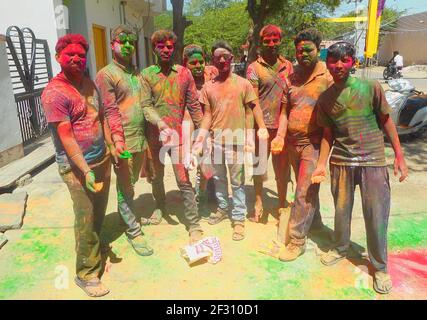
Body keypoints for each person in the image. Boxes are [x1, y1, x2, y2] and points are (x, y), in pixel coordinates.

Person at [312, 42, 408, 294]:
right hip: (341, 163)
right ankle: (340, 247)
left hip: (373, 162)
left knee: (376, 215)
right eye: (333, 61)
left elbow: (386, 121)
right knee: (341, 211)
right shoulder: (325, 98)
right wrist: (321, 164)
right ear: (327, 64)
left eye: (344, 60)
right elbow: (327, 134)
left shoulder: (371, 87)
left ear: (352, 62)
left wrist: (399, 155)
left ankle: (380, 266)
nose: (338, 66)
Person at [41, 34, 125, 297]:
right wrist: (86, 171)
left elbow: (101, 118)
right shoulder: (54, 93)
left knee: (98, 212)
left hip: (101, 160)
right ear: (58, 58)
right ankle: (86, 274)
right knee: (86, 217)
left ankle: (94, 248)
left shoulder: (89, 83)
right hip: (76, 167)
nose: (76, 59)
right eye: (70, 55)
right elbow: (66, 137)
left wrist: (112, 147)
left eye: (81, 55)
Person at [140, 30, 211, 244]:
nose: (165, 50)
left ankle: (193, 224)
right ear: (154, 48)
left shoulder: (184, 74)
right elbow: (146, 106)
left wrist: (202, 134)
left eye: (169, 47)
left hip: (178, 138)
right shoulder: (147, 75)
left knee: (183, 179)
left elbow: (194, 106)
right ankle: (160, 207)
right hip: (154, 138)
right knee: (156, 176)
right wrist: (160, 123)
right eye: (161, 46)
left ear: (174, 49)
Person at [199, 40, 269, 241]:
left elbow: (253, 107)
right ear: (213, 60)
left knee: (237, 182)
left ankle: (238, 218)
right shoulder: (208, 87)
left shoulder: (243, 84)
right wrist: (201, 137)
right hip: (216, 142)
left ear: (232, 58)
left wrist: (261, 128)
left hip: (236, 141)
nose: (222, 60)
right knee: (219, 178)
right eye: (217, 57)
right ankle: (223, 208)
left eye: (225, 56)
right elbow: (207, 115)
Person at [274, 28, 333, 262]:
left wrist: (324, 158)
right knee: (306, 190)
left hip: (313, 143)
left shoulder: (327, 77)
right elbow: (285, 111)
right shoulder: (291, 77)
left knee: (303, 192)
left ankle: (297, 240)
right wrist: (279, 135)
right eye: (299, 51)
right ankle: (315, 224)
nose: (303, 54)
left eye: (308, 50)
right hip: (291, 143)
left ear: (318, 50)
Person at [95, 25, 153, 256]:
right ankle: (133, 231)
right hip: (123, 142)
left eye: (132, 41)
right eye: (123, 41)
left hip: (140, 139)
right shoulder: (106, 74)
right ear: (112, 45)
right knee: (126, 187)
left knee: (130, 185)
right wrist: (116, 142)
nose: (128, 45)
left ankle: (124, 218)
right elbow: (109, 111)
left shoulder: (136, 73)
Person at [246, 24, 292, 222]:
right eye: (267, 41)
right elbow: (253, 101)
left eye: (275, 40)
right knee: (260, 168)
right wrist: (261, 127)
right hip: (260, 128)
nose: (272, 44)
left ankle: (282, 203)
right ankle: (258, 201)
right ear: (260, 43)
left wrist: (283, 129)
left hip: (282, 127)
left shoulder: (288, 66)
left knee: (282, 169)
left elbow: (289, 98)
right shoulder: (253, 68)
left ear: (280, 41)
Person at [182, 44, 218, 218]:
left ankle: (201, 198)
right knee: (186, 164)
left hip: (206, 129)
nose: (197, 66)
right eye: (193, 63)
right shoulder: (180, 79)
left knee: (205, 166)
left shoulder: (211, 77)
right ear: (185, 63)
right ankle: (189, 198)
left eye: (200, 62)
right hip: (186, 129)